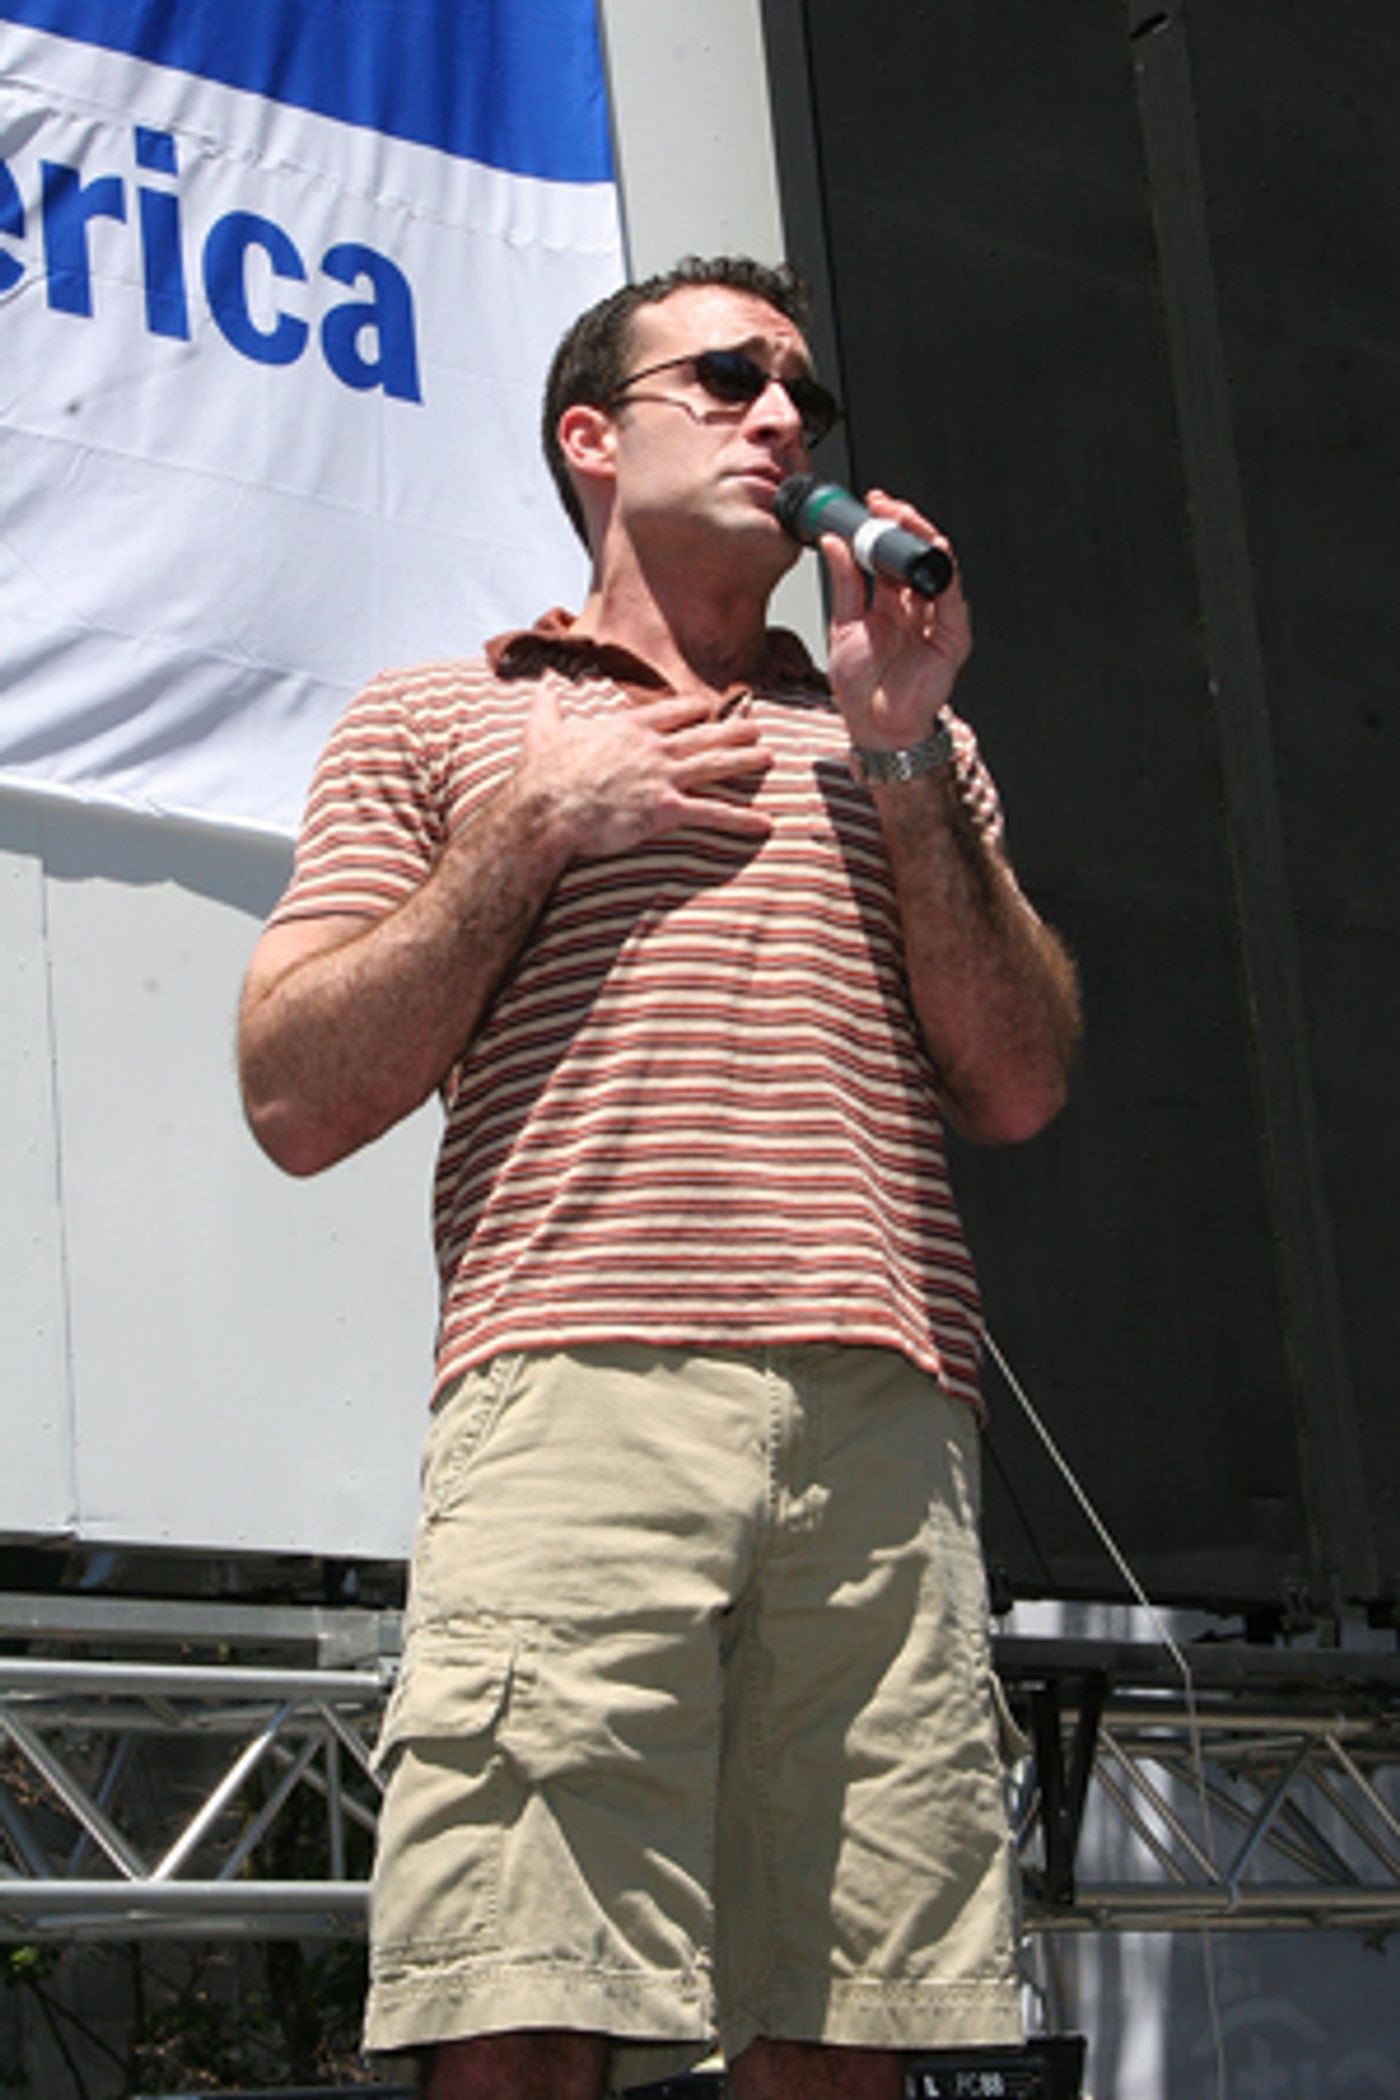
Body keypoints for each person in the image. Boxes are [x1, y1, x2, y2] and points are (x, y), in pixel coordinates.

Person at [238, 255, 1080, 2100]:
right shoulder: (448, 717)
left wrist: (904, 749)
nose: (783, 418)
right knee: (519, 1994)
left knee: (852, 2026)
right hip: (577, 1383)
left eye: (803, 396)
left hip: (882, 1412)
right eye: (727, 379)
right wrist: (534, 826)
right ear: (592, 438)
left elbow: (1020, 1082)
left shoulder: (904, 731)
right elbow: (293, 1092)